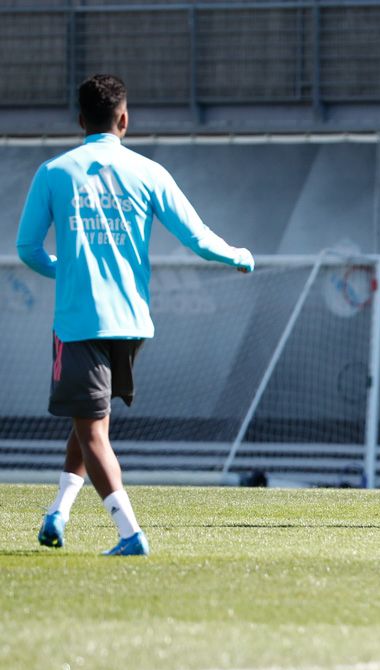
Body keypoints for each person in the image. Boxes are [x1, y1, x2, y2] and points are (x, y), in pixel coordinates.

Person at [16, 74, 254, 556]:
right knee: (89, 424)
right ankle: (57, 515)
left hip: (81, 323)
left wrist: (66, 270)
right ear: (124, 119)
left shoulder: (55, 173)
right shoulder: (149, 172)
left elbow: (28, 249)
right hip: (133, 326)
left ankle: (130, 534)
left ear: (80, 120)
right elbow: (197, 236)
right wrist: (237, 255)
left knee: (93, 430)